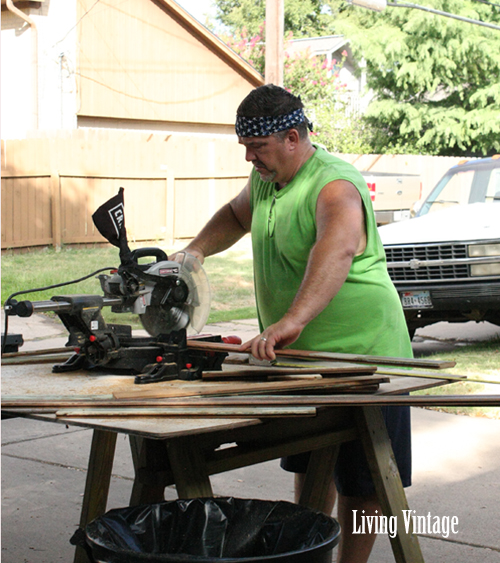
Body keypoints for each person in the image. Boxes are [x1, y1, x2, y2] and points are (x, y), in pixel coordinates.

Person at [178, 84, 412, 563]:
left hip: (364, 356)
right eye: (245, 148)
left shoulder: (334, 185)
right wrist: (194, 251)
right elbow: (234, 215)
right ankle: (312, 556)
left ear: (292, 136)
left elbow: (339, 248)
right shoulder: (266, 178)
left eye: (258, 148)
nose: (250, 159)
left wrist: (292, 320)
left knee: (364, 481)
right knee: (311, 458)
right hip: (301, 356)